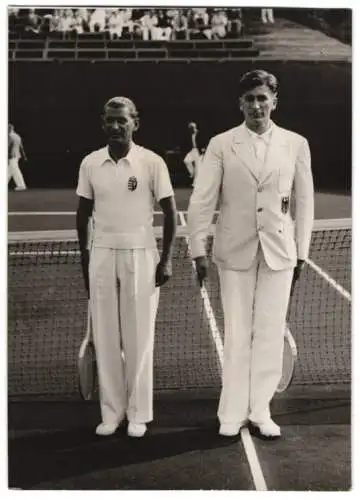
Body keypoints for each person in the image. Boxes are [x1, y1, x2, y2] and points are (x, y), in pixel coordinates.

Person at [188, 70, 314, 439]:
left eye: (262, 98)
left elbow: (304, 204)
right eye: (249, 99)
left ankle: (261, 410)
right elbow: (201, 200)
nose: (256, 105)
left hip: (279, 253)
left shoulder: (295, 144)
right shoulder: (221, 144)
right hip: (234, 252)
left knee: (270, 333)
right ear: (239, 103)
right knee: (238, 333)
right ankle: (231, 412)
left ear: (275, 101)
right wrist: (198, 249)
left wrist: (301, 252)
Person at [76, 97, 177, 438]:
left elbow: (171, 213)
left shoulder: (152, 162)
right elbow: (82, 213)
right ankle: (112, 412)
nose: (115, 126)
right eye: (109, 121)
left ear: (135, 122)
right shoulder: (90, 163)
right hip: (102, 253)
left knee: (139, 337)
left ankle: (138, 413)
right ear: (102, 123)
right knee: (105, 336)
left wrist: (166, 259)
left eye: (122, 120)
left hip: (141, 253)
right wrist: (85, 256)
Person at [8, 124, 28, 191]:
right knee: (10, 170)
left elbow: (8, 146)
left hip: (12, 155)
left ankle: (21, 185)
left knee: (15, 170)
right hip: (17, 155)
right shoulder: (17, 136)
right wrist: (24, 155)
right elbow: (21, 147)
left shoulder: (10, 136)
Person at [183, 122, 202, 187]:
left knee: (198, 167)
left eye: (192, 127)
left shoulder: (199, 133)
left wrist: (203, 149)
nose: (191, 129)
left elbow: (203, 141)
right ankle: (192, 172)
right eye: (190, 128)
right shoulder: (190, 134)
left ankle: (195, 183)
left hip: (198, 151)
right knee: (186, 160)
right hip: (192, 150)